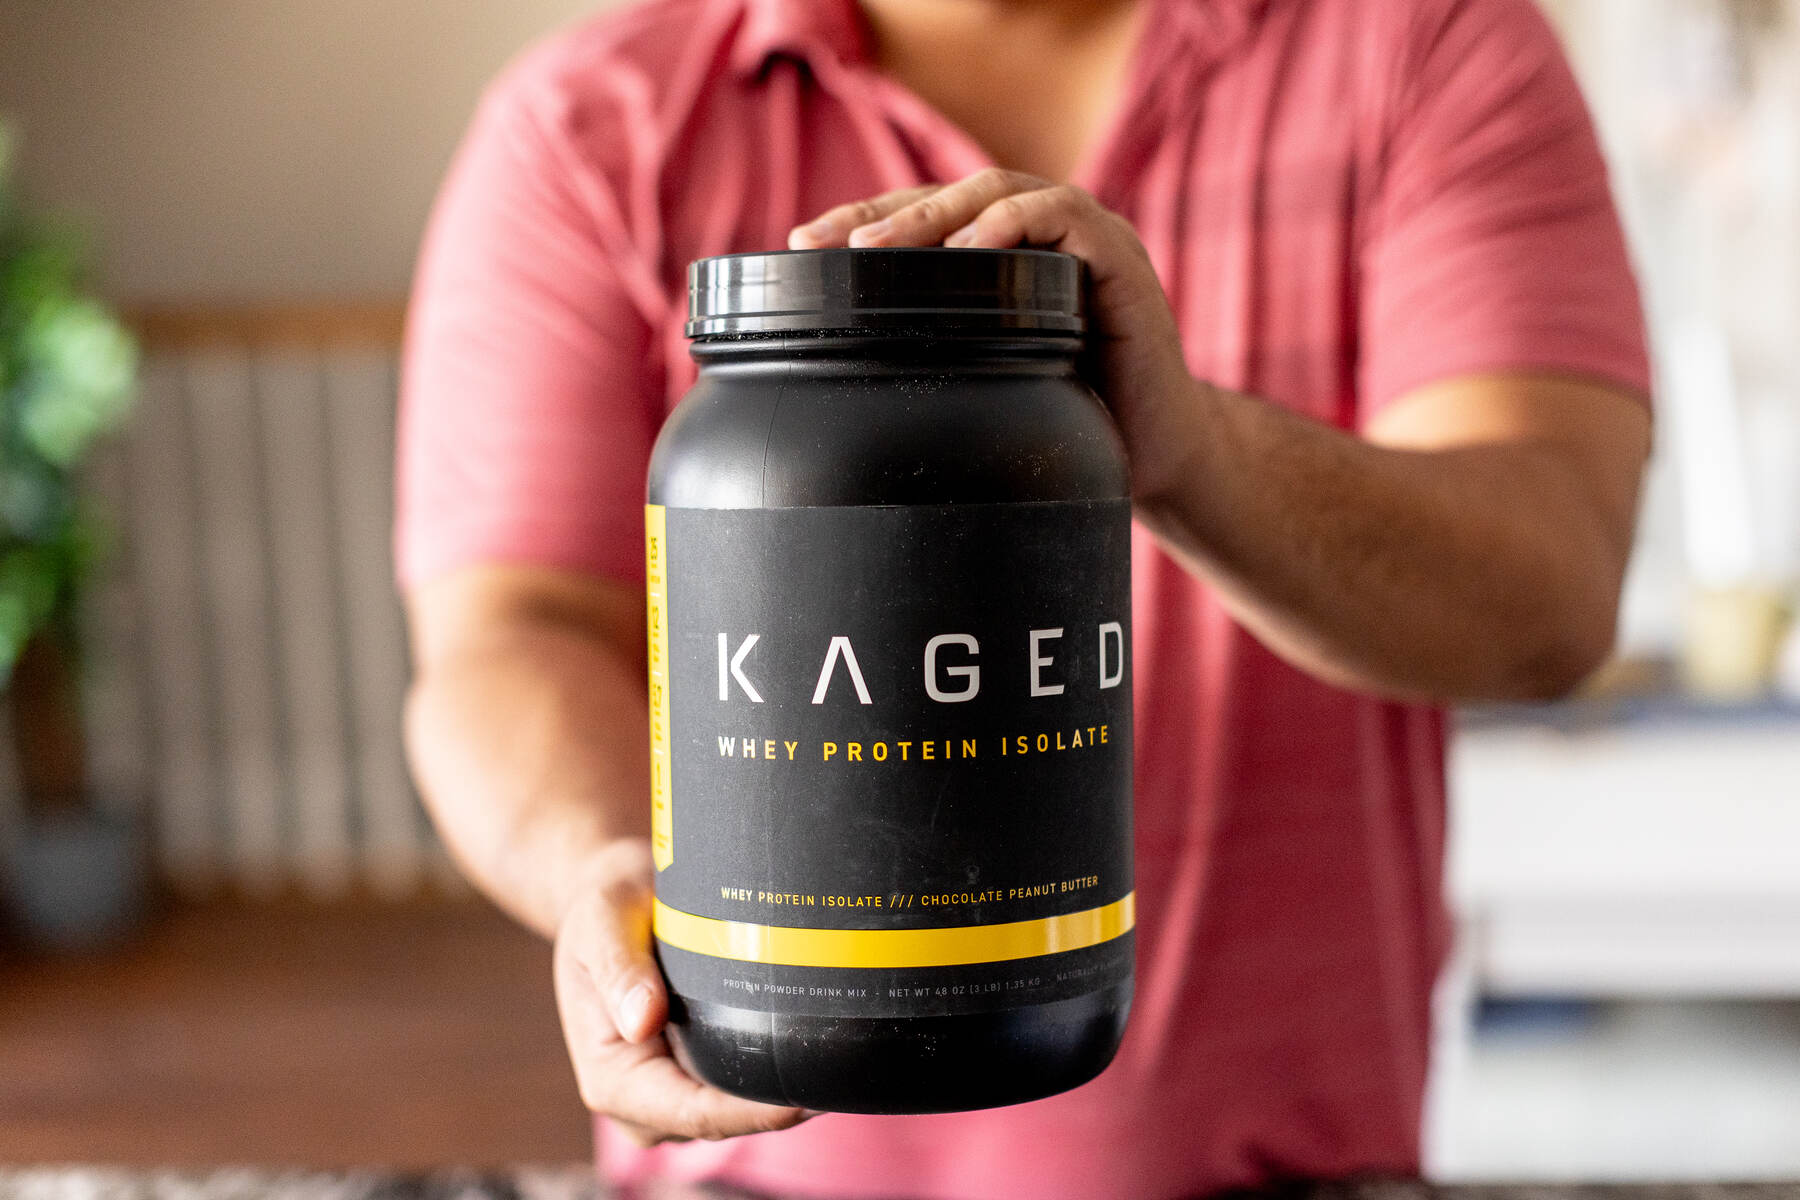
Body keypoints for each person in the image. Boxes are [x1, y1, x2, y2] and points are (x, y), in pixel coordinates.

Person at [397, 0, 1652, 1195]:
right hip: (744, 1170)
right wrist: (608, 874)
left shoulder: (1422, 47)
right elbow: (511, 642)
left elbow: (1553, 593)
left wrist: (1187, 453)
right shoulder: (587, 125)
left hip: (1285, 1171)